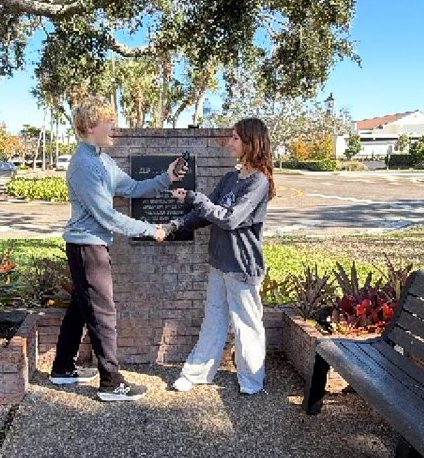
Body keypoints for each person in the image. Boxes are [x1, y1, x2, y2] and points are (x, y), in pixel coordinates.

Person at [50, 97, 186, 402]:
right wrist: (153, 230)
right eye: (108, 121)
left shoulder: (102, 160)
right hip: (87, 247)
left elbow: (134, 188)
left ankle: (62, 368)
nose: (115, 126)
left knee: (80, 309)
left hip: (90, 246)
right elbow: (107, 216)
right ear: (89, 126)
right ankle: (111, 382)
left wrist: (167, 177)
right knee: (102, 313)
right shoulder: (84, 164)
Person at [164, 117, 275, 395]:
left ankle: (251, 381)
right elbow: (206, 213)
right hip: (219, 262)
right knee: (213, 318)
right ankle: (197, 373)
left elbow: (230, 219)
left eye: (236, 138)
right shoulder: (230, 178)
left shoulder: (258, 182)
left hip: (242, 265)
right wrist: (174, 225)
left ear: (252, 142)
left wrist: (195, 197)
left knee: (247, 325)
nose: (230, 143)